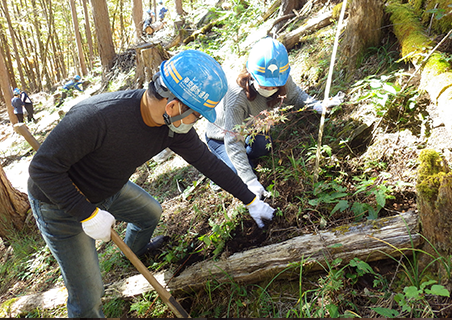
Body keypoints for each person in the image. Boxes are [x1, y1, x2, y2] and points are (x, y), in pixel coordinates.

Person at [27, 49, 275, 318]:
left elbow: (208, 162)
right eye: (197, 115)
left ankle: (132, 252)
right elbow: (42, 170)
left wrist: (249, 198)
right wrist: (87, 215)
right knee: (89, 295)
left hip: (109, 187)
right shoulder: (96, 117)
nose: (197, 122)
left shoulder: (172, 128)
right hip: (59, 203)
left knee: (150, 213)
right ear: (173, 106)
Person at [205, 37, 344, 199]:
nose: (270, 89)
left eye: (274, 85)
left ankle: (243, 160)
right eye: (265, 85)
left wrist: (316, 105)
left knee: (264, 147)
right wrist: (251, 181)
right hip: (222, 136)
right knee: (236, 174)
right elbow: (233, 141)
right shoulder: (236, 96)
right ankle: (219, 166)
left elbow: (296, 95)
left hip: (252, 130)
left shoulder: (281, 78)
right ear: (251, 74)